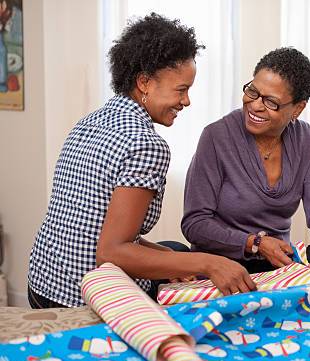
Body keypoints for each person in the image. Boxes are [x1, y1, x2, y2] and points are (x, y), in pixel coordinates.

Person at [28, 13, 255, 309]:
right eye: (181, 89)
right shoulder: (145, 144)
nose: (186, 101)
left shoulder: (90, 122)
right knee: (194, 284)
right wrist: (210, 264)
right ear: (144, 82)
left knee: (174, 252)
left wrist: (179, 262)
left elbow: (94, 226)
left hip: (43, 282)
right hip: (80, 296)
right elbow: (112, 253)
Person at [182, 47, 310, 283]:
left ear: (297, 108)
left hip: (277, 264)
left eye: (271, 102)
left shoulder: (304, 138)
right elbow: (195, 224)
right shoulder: (216, 137)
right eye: (253, 92)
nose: (255, 105)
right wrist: (254, 243)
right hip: (226, 263)